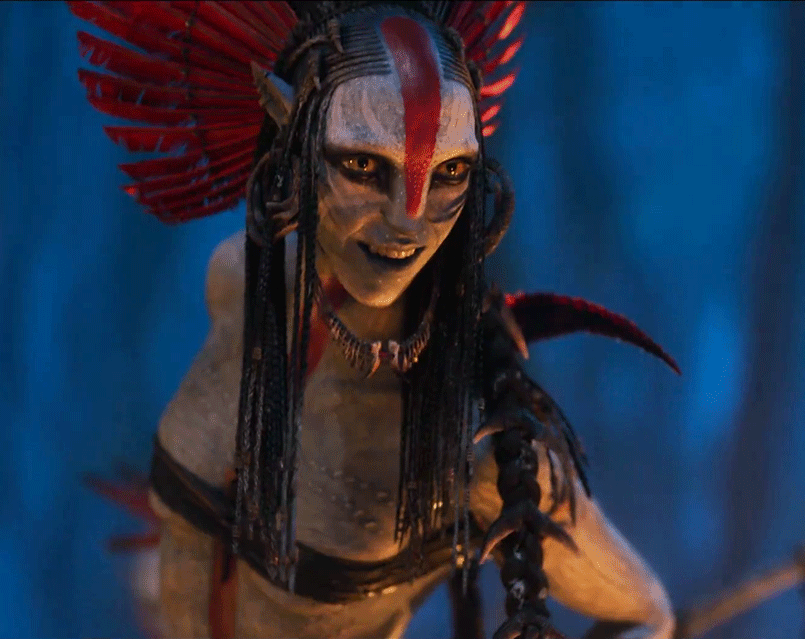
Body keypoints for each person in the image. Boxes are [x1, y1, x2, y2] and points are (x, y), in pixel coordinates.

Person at [71, 2, 679, 637]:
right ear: (293, 140)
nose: (407, 221)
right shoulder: (242, 288)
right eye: (363, 165)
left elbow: (647, 616)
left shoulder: (480, 441)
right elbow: (189, 540)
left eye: (450, 173)